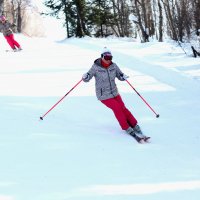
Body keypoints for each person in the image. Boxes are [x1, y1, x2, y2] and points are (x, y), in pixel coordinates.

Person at [82, 47, 149, 142]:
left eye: (110, 57)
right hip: (103, 95)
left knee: (123, 108)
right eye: (106, 57)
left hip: (114, 92)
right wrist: (85, 77)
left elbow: (120, 75)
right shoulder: (96, 67)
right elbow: (87, 78)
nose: (108, 60)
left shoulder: (114, 66)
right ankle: (126, 127)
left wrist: (123, 77)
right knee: (117, 108)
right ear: (102, 57)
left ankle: (134, 124)